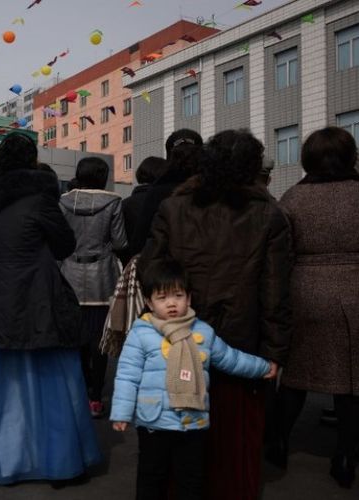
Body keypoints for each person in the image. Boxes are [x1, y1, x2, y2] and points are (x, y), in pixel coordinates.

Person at [139, 129, 292, 500]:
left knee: (180, 432)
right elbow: (275, 292)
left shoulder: (174, 207)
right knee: (233, 437)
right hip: (241, 341)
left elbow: (150, 272)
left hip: (178, 335)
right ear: (253, 167)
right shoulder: (268, 214)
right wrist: (275, 352)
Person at [0, 132, 102, 485]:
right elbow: (64, 245)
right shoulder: (40, 200)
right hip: (39, 297)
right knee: (53, 379)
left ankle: (3, 462)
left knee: (3, 386)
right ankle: (60, 464)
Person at [111, 259, 276, 500]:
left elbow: (230, 358)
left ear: (188, 298)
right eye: (162, 297)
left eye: (177, 295)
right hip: (154, 423)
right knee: (151, 477)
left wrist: (262, 367)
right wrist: (122, 412)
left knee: (191, 480)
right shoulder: (140, 333)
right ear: (149, 302)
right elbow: (127, 375)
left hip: (192, 423)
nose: (171, 304)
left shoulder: (203, 332)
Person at [268, 126, 359, 488]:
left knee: (295, 376)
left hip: (305, 290)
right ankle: (346, 455)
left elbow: (282, 254)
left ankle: (276, 440)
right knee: (352, 382)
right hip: (356, 289)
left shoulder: (292, 199)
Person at [60, 156, 127, 417]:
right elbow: (120, 242)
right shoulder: (113, 202)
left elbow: (61, 240)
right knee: (99, 341)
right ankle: (96, 398)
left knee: (74, 339)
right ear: (103, 176)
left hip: (70, 275)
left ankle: (77, 391)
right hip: (102, 276)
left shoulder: (63, 201)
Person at [128, 129, 203, 257]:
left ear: (169, 158)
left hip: (168, 272)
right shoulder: (217, 189)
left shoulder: (157, 192)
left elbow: (139, 244)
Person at [118, 156, 167, 265]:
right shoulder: (166, 202)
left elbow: (119, 242)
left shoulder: (124, 204)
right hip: (161, 267)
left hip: (131, 265)